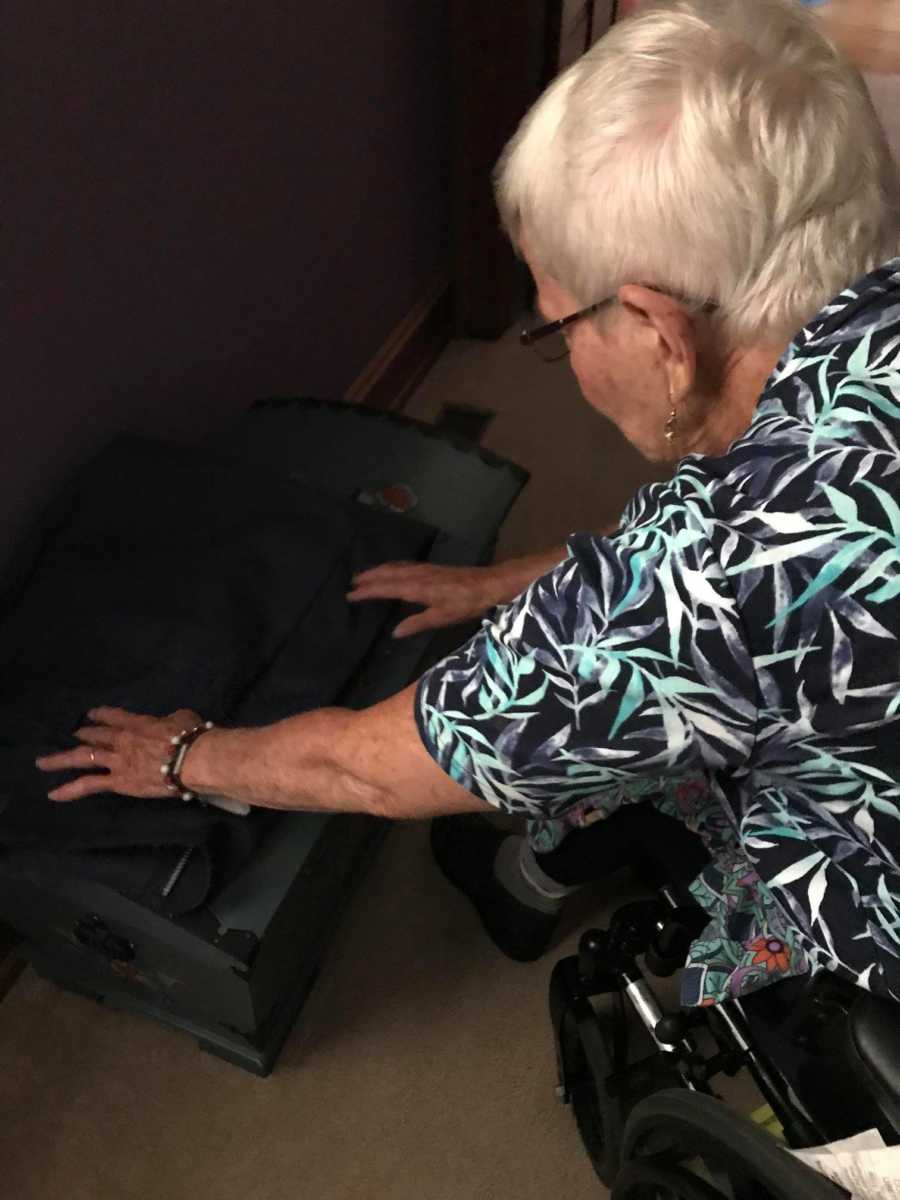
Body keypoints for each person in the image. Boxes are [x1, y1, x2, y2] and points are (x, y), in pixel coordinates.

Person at [37, 0, 900, 1009]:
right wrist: (507, 584)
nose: (560, 348)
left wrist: (186, 757)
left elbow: (378, 769)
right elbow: (744, 561)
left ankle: (540, 888)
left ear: (662, 334)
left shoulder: (701, 586)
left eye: (558, 322)